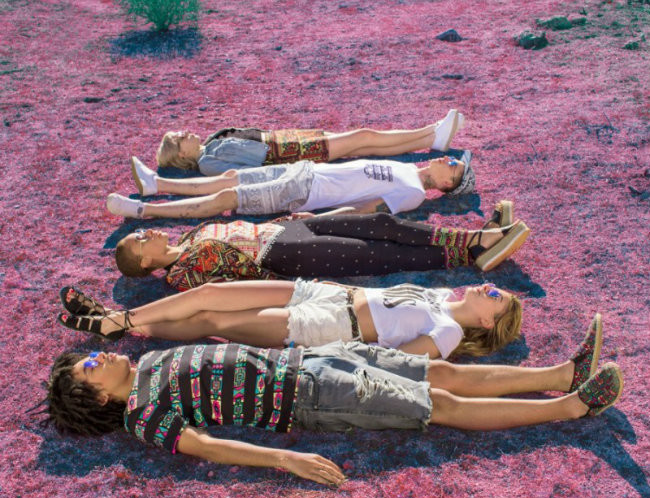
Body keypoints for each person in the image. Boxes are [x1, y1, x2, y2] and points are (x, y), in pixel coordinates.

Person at [45, 315, 623, 485]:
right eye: (90, 366)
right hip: (312, 395)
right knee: (438, 403)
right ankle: (572, 406)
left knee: (440, 371)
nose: (99, 356)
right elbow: (207, 447)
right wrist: (285, 458)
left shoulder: (148, 361)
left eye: (90, 354)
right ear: (94, 397)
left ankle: (561, 373)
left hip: (313, 359)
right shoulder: (143, 416)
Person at [58, 280, 523, 360]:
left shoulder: (450, 332)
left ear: (488, 322)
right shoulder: (439, 297)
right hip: (327, 294)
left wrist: (329, 353)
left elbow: (398, 360)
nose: (488, 287)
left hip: (329, 327)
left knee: (212, 318)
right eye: (494, 287)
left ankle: (117, 322)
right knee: (211, 293)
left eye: (495, 297)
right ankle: (116, 320)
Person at [114, 202, 528, 287]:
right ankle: (475, 245)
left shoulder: (191, 236)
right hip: (285, 257)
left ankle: (473, 241)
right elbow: (234, 289)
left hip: (288, 230)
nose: (148, 233)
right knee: (381, 256)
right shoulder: (182, 276)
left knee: (380, 223)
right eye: (141, 240)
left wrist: (290, 220)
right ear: (145, 263)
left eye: (142, 231)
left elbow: (244, 228)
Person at [107, 153, 478, 223]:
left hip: (305, 193)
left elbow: (366, 209)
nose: (448, 159)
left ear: (447, 185)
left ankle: (144, 210)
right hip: (305, 171)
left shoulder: (414, 193)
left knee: (226, 199)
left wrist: (317, 220)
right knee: (231, 177)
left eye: (453, 166)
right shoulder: (407, 169)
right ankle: (156, 184)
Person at [154, 110, 465, 176]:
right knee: (363, 136)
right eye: (179, 138)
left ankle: (432, 138)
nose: (185, 132)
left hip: (289, 141)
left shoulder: (211, 142)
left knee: (363, 145)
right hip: (287, 154)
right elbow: (245, 174)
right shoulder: (207, 163)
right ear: (181, 155)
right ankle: (430, 133)